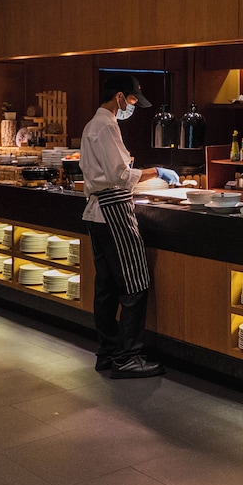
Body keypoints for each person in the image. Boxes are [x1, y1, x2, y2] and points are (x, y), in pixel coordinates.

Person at [80, 73, 179, 378]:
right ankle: (128, 358)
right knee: (135, 284)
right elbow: (121, 175)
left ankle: (108, 352)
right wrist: (157, 172)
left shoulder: (92, 125)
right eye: (133, 99)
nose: (133, 105)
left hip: (97, 213)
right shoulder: (107, 125)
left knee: (107, 288)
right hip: (114, 212)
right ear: (120, 97)